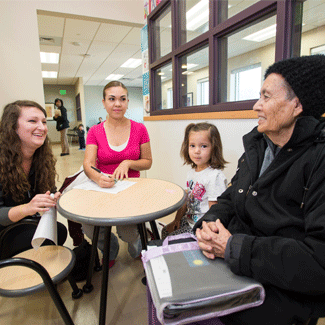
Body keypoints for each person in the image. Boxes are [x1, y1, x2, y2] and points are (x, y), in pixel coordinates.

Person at [193, 55, 325, 325]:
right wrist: (209, 224)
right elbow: (231, 197)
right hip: (239, 264)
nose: (257, 106)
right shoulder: (258, 144)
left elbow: (318, 263)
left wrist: (233, 247)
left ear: (296, 104)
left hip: (283, 289)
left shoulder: (319, 160)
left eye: (266, 97)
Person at [83, 81, 152, 264]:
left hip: (131, 188)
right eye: (112, 99)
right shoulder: (95, 132)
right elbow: (88, 164)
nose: (117, 104)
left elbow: (147, 163)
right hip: (102, 187)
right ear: (104, 102)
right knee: (90, 229)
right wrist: (99, 178)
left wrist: (128, 162)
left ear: (128, 102)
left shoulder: (140, 129)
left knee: (129, 233)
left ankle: (135, 246)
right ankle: (109, 248)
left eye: (122, 99)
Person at [0, 100, 67, 257]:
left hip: (30, 224)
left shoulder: (41, 159)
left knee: (60, 231)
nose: (42, 127)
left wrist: (52, 197)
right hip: (5, 231)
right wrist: (27, 208)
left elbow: (49, 189)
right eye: (32, 121)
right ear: (12, 127)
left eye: (44, 122)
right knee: (47, 241)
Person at [161, 122, 227, 239]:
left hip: (202, 227)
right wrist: (177, 220)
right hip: (189, 220)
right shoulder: (191, 173)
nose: (197, 151)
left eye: (203, 146)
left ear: (214, 148)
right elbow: (187, 199)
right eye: (192, 146)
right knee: (165, 231)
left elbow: (215, 212)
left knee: (169, 239)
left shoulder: (214, 176)